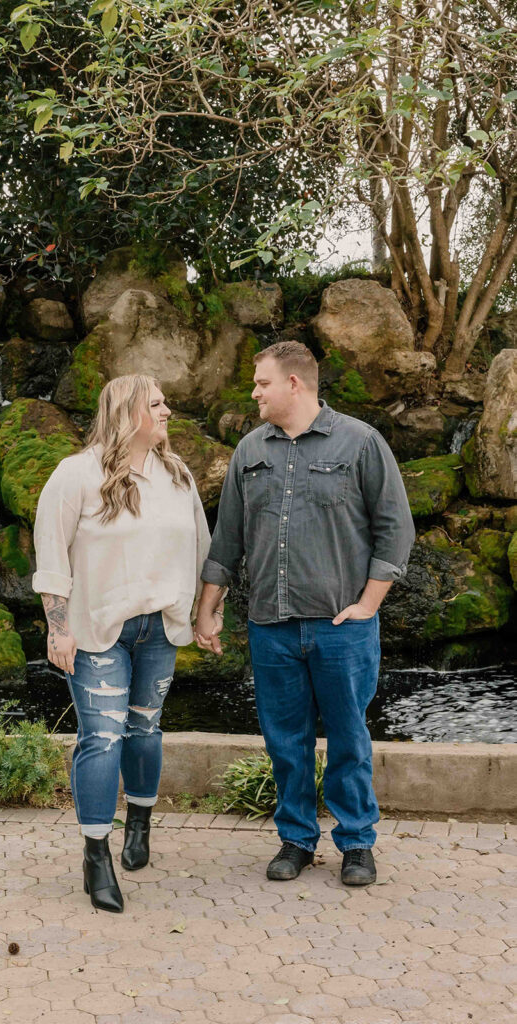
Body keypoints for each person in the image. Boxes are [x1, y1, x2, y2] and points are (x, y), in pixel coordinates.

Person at [195, 340, 415, 886]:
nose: (254, 392)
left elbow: (395, 529)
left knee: (348, 739)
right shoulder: (250, 451)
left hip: (342, 627)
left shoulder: (361, 442)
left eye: (262, 383)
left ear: (294, 383)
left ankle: (357, 843)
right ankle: (295, 840)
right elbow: (228, 540)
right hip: (270, 625)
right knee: (285, 743)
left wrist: (367, 607)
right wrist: (207, 608)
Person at [32, 374, 211, 913]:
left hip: (159, 628)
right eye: (157, 404)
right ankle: (96, 855)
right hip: (95, 632)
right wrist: (58, 627)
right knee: (101, 738)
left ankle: (139, 824)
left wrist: (207, 614)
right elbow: (51, 555)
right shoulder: (75, 475)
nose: (167, 411)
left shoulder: (176, 475)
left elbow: (201, 546)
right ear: (128, 412)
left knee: (144, 729)